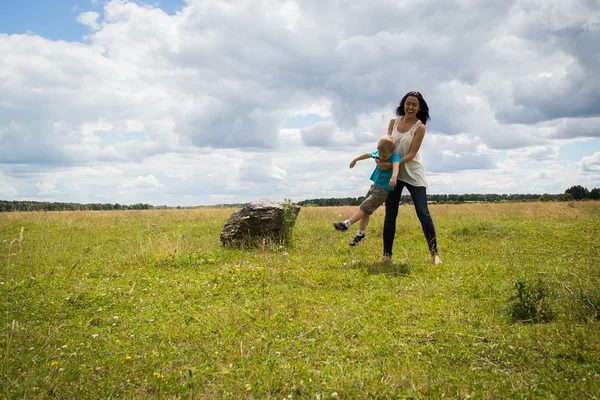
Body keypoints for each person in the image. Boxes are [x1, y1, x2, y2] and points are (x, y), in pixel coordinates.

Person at [376, 91, 442, 265]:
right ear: (403, 104)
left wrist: (393, 164)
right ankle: (387, 255)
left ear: (419, 108)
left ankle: (435, 254)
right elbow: (387, 145)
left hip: (412, 172)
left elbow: (412, 154)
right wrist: (380, 158)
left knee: (423, 212)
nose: (410, 107)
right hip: (394, 175)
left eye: (414, 104)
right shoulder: (393, 122)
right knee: (390, 214)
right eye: (408, 103)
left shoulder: (420, 127)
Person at [333, 136, 400, 246]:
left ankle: (346, 224)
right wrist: (356, 159)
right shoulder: (379, 153)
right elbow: (368, 154)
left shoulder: (394, 157)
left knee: (364, 208)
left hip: (383, 191)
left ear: (392, 151)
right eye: (380, 155)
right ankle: (360, 235)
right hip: (374, 187)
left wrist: (394, 176)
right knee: (365, 211)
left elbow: (396, 166)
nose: (382, 158)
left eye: (385, 156)